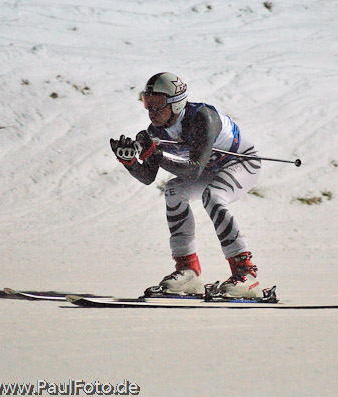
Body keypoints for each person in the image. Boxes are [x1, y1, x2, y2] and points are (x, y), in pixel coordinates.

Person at [110, 72, 262, 298]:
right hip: (211, 169)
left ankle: (247, 275)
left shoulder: (202, 117)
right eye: (147, 102)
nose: (151, 110)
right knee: (173, 191)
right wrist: (129, 162)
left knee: (213, 197)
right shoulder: (154, 132)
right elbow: (148, 177)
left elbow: (194, 169)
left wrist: (157, 154)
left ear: (176, 102)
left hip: (241, 163)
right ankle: (188, 271)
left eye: (158, 103)